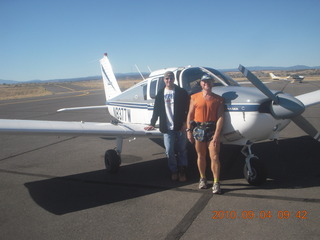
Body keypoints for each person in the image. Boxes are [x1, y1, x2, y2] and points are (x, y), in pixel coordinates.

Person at [144, 71, 190, 182]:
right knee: (169, 150)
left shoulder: (181, 92)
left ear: (174, 79)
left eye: (171, 78)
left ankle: (182, 170)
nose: (169, 80)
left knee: (182, 150)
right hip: (167, 128)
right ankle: (174, 170)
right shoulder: (160, 93)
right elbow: (156, 110)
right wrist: (152, 123)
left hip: (180, 127)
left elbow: (187, 109)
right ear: (164, 80)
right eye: (167, 79)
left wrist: (185, 123)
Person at [186, 74, 224, 194]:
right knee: (200, 156)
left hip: (212, 131)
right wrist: (189, 131)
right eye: (204, 81)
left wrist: (217, 135)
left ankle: (216, 182)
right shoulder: (194, 97)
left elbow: (220, 117)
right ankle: (203, 178)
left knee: (214, 157)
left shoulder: (219, 99)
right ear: (201, 83)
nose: (206, 83)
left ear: (212, 83)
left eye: (209, 81)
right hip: (198, 130)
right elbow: (190, 115)